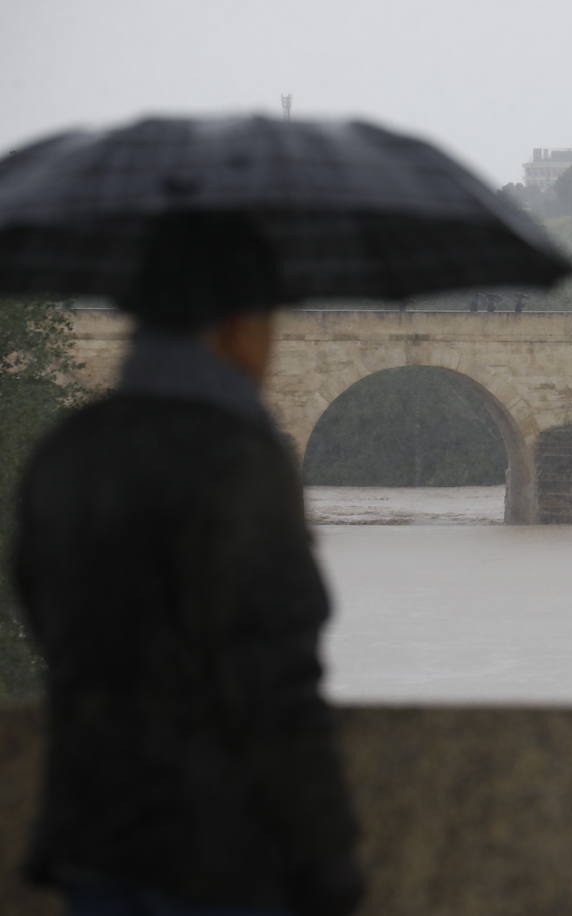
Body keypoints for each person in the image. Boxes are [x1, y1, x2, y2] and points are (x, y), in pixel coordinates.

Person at [10, 214, 364, 916]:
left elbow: (42, 619)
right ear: (236, 329)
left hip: (94, 834)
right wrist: (327, 851)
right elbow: (276, 673)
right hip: (225, 847)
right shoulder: (239, 459)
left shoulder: (69, 448)